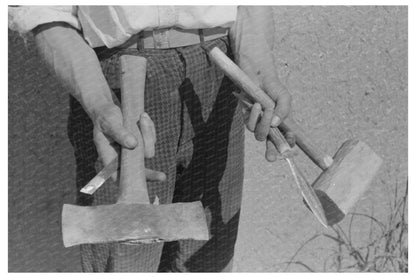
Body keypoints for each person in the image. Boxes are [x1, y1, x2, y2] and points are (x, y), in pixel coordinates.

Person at [9, 6, 292, 272]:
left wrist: (259, 72)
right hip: (110, 81)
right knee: (124, 262)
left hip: (219, 71)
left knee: (208, 259)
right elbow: (44, 12)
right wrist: (99, 103)